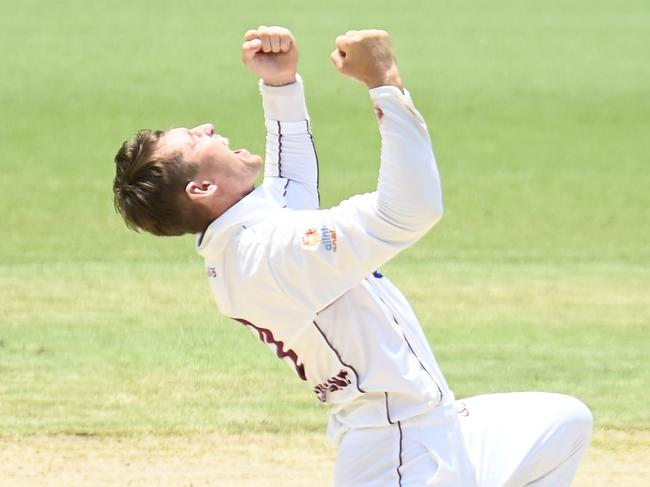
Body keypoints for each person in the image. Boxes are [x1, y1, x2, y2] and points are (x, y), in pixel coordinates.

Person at [113, 26, 592, 486]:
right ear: (203, 188)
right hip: (400, 454)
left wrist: (280, 86)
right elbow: (407, 211)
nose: (208, 127)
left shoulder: (244, 243)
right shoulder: (270, 255)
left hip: (434, 426)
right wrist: (384, 83)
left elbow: (291, 192)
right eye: (196, 139)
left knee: (561, 422)